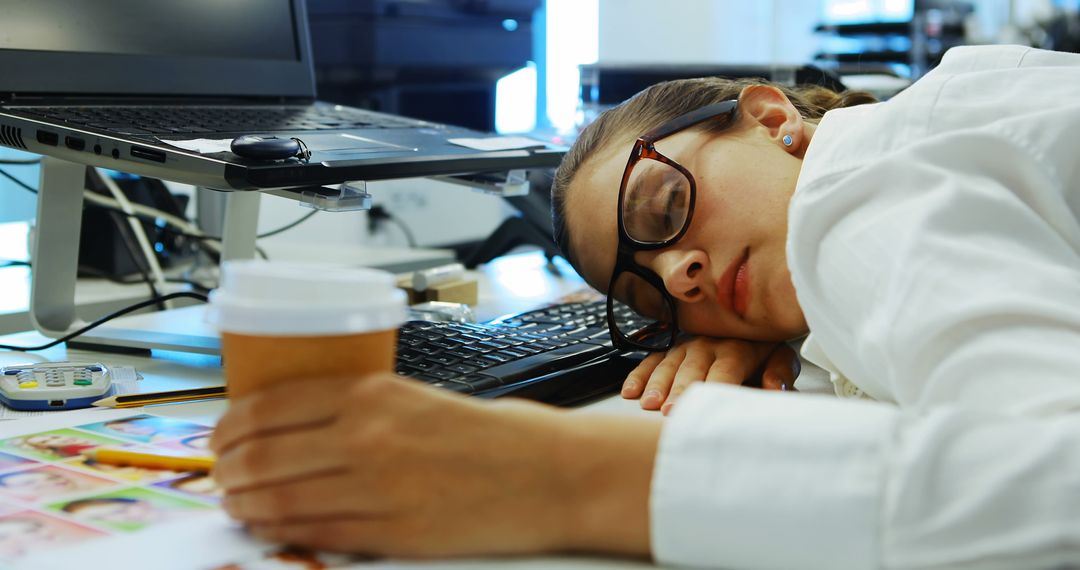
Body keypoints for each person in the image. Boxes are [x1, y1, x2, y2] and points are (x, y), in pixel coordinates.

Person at [210, 44, 1080, 569]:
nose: (682, 278)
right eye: (653, 298)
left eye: (664, 211)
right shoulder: (930, 139)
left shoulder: (854, 194)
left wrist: (565, 477)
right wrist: (805, 333)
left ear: (772, 117)